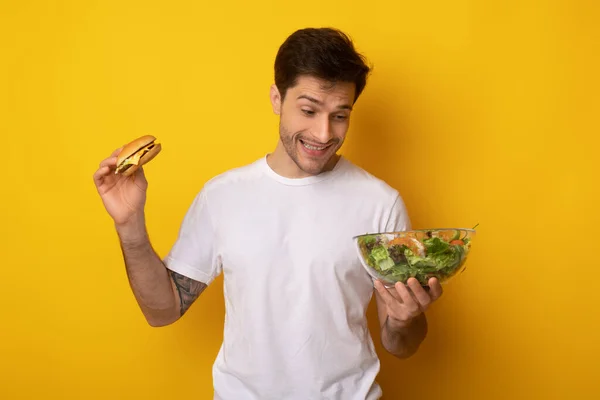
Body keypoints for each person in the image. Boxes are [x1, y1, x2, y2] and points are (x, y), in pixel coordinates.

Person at [93, 27, 443, 400]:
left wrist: (407, 319)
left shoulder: (380, 203)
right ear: (277, 98)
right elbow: (162, 310)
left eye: (340, 115)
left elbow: (401, 344)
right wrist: (129, 226)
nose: (323, 133)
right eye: (308, 110)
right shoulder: (222, 196)